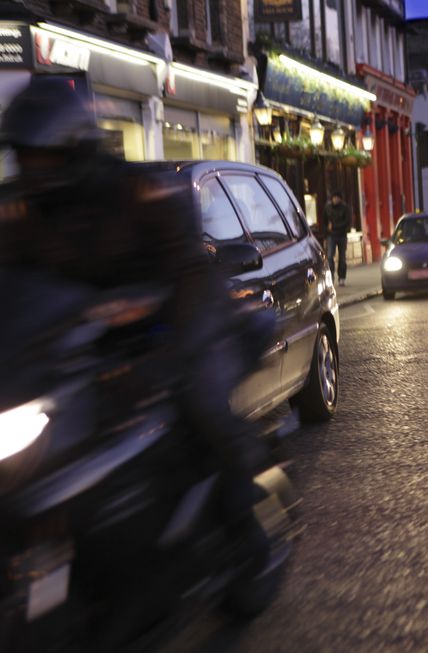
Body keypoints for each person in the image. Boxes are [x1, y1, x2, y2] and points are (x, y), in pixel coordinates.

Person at [0, 77, 270, 577]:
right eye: (24, 156)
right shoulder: (19, 212)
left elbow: (187, 272)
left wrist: (168, 359)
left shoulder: (137, 192)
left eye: (43, 157)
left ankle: (245, 524)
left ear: (73, 149)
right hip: (92, 338)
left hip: (176, 319)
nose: (32, 169)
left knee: (199, 400)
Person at [324, 191, 352, 286]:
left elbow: (347, 221)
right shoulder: (328, 208)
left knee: (342, 257)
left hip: (342, 235)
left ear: (340, 199)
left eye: (337, 198)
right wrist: (326, 234)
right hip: (331, 236)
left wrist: (335, 226)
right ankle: (331, 276)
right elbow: (324, 221)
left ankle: (342, 277)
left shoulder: (345, 208)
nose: (335, 199)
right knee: (330, 256)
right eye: (334, 198)